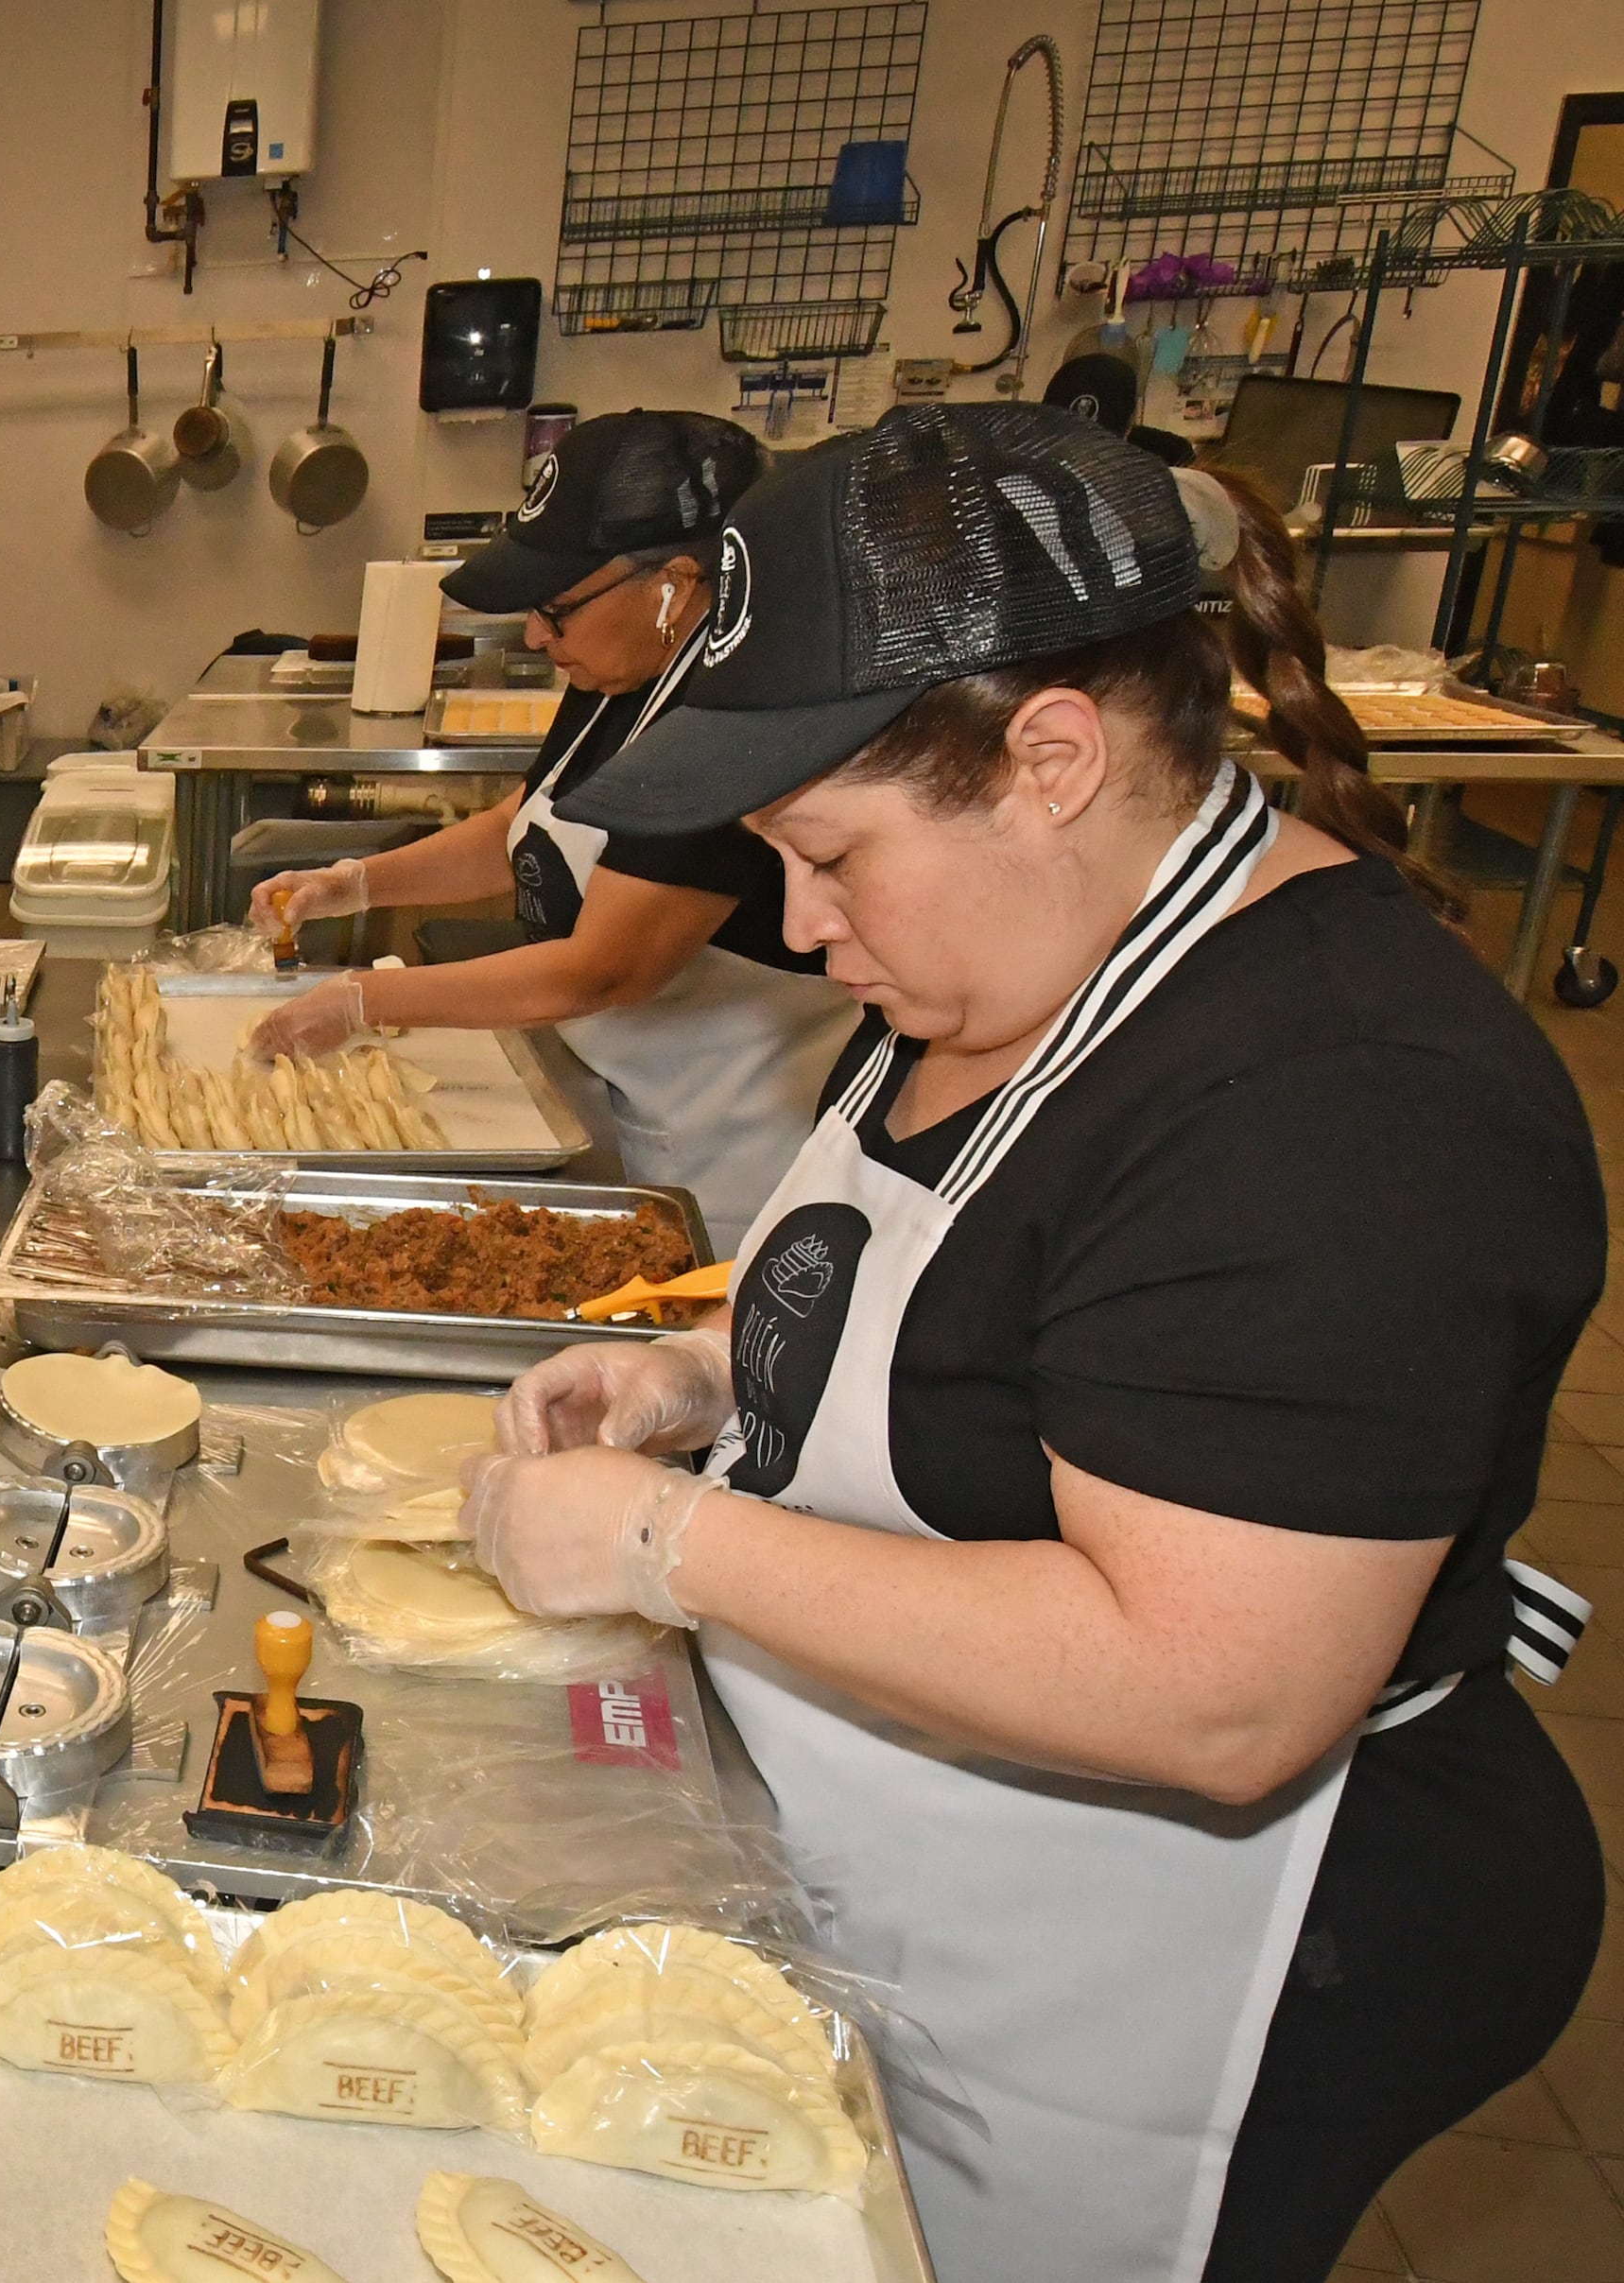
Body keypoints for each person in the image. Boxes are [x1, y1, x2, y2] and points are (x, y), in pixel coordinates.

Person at [460, 406, 1604, 2283]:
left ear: (1054, 756)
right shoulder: (1011, 946)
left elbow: (1217, 1691)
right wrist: (701, 1377)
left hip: (1233, 1937)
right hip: (951, 1850)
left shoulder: (1352, 1107)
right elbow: (925, 1260)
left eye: (828, 856)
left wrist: (671, 1545)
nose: (804, 926)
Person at [240, 410, 850, 1250]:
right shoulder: (620, 668)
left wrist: (365, 1000)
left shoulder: (734, 709)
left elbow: (605, 969)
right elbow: (521, 827)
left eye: (557, 609)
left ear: (673, 582)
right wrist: (353, 883)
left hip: (731, 1167)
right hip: (610, 1102)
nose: (535, 635)